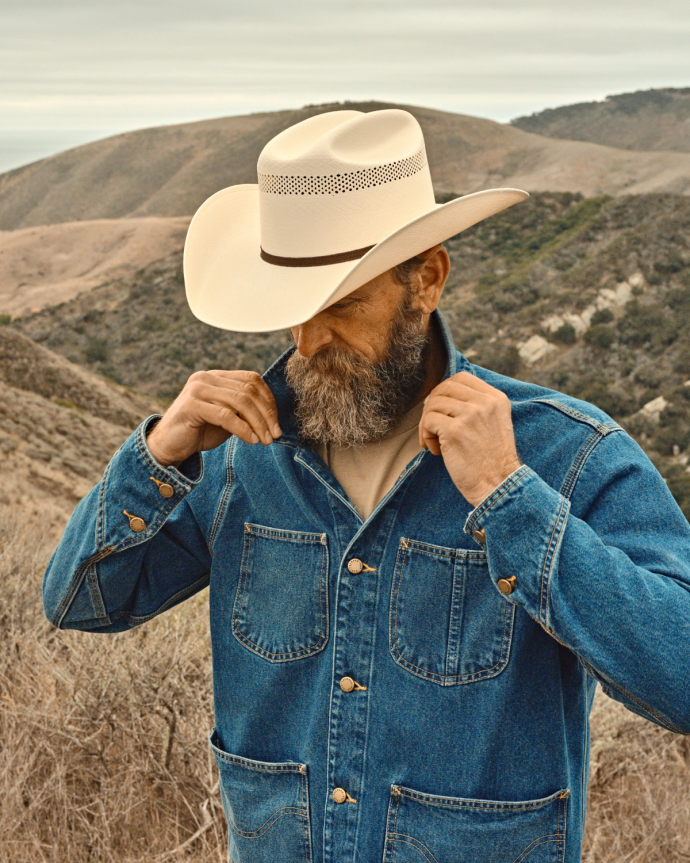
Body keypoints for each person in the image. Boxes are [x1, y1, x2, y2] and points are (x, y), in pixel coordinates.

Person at [43, 109, 690, 863]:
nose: (311, 341)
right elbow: (78, 600)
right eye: (294, 311)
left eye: (343, 305)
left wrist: (510, 496)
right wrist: (158, 455)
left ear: (428, 279)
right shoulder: (235, 456)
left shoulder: (566, 452)